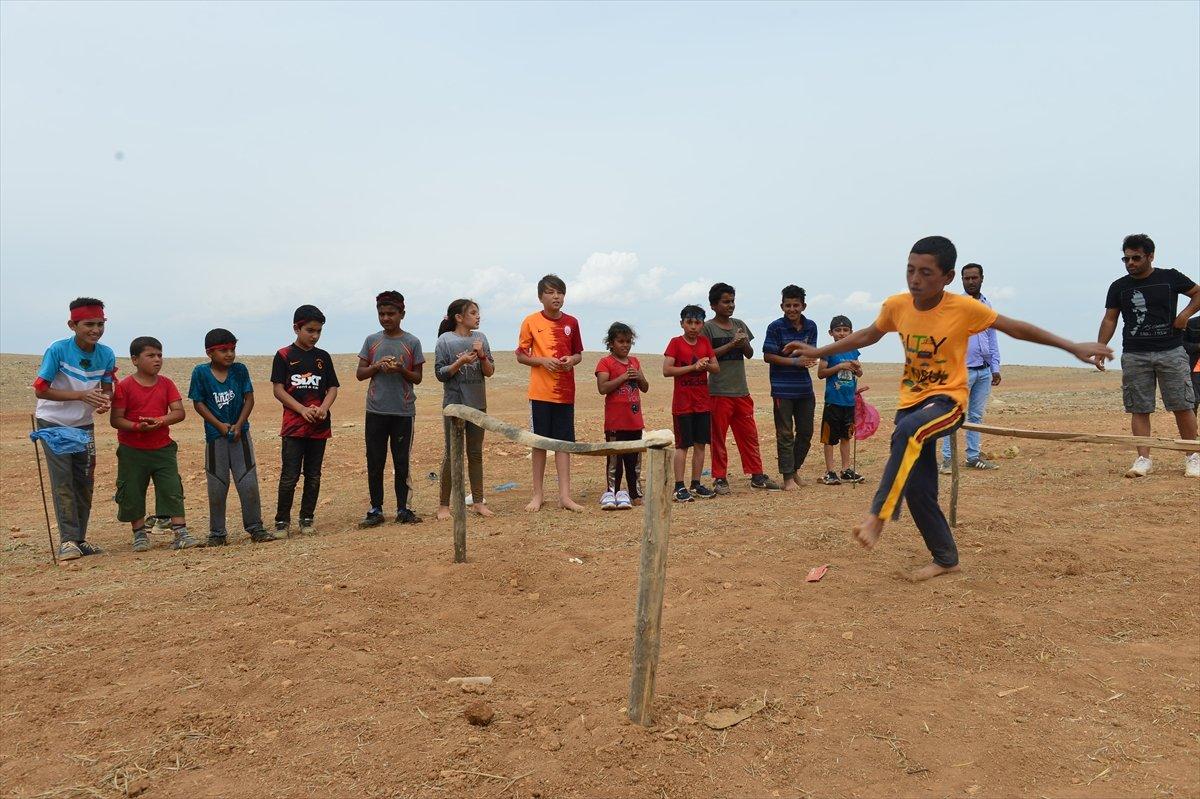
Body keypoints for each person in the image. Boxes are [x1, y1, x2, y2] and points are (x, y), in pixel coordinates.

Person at [787, 236, 1112, 582]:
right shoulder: (897, 306)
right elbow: (868, 335)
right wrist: (821, 351)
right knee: (918, 487)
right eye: (910, 270)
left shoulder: (963, 309)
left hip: (948, 403)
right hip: (911, 403)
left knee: (907, 433)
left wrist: (1071, 345)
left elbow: (1015, 328)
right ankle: (945, 558)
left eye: (926, 273)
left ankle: (878, 515)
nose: (915, 280)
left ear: (948, 277)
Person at [1095, 234, 1200, 478]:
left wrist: (1184, 315)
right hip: (1134, 354)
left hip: (1171, 351)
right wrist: (1101, 346)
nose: (1130, 263)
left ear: (1150, 256)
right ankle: (1143, 459)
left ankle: (1192, 456)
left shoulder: (1170, 278)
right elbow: (1110, 318)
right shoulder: (1119, 287)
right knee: (1139, 408)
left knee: (1183, 405)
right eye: (1126, 258)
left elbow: (1197, 293)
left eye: (1136, 258)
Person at [32, 297, 118, 560]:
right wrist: (80, 396)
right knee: (63, 481)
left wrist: (104, 402)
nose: (95, 330)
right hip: (53, 423)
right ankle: (67, 541)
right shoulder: (57, 350)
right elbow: (41, 388)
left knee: (84, 482)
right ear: (72, 325)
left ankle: (80, 539)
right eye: (89, 324)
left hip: (83, 425)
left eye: (100, 324)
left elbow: (107, 389)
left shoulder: (106, 354)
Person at [110, 336, 199, 552]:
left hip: (162, 448)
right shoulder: (124, 387)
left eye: (160, 355)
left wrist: (160, 421)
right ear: (135, 360)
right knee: (131, 490)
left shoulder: (167, 383)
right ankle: (139, 534)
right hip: (132, 450)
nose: (157, 360)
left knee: (171, 488)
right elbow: (116, 420)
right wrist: (137, 427)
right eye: (150, 355)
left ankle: (180, 532)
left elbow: (179, 412)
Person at [187, 328, 271, 546]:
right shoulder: (200, 373)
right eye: (223, 350)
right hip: (216, 437)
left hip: (240, 436)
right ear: (209, 352)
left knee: (248, 481)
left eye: (232, 349)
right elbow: (198, 403)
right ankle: (217, 533)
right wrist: (220, 426)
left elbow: (249, 399)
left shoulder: (240, 370)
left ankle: (255, 527)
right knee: (217, 483)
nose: (229, 354)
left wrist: (239, 424)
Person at [703, 283, 781, 493]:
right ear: (713, 305)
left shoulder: (740, 324)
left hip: (741, 391)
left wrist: (743, 342)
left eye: (732, 301)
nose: (730, 305)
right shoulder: (707, 328)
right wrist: (731, 344)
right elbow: (706, 355)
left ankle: (757, 475)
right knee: (718, 437)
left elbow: (748, 352)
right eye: (725, 301)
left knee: (749, 435)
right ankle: (719, 478)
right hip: (718, 392)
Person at [516, 274, 584, 512]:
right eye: (551, 292)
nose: (556, 297)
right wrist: (542, 361)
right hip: (540, 393)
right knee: (540, 443)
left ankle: (565, 496)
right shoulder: (530, 321)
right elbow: (521, 355)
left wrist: (571, 361)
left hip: (565, 393)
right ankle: (538, 495)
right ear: (540, 297)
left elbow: (578, 354)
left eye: (560, 292)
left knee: (563, 444)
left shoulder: (572, 322)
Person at [356, 291, 424, 527]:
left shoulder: (412, 342)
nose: (386, 318)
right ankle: (375, 509)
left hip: (403, 412)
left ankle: (403, 509)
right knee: (375, 461)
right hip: (376, 411)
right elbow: (360, 374)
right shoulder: (371, 341)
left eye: (391, 313)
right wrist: (376, 366)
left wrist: (400, 370)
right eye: (381, 314)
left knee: (401, 461)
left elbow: (417, 378)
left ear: (402, 314)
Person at [272, 304, 340, 536]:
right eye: (310, 330)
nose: (315, 335)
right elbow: (278, 390)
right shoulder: (283, 355)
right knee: (289, 475)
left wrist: (323, 408)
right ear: (296, 328)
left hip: (319, 426)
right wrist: (301, 409)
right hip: (293, 426)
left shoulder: (323, 357)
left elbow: (332, 387)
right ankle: (282, 522)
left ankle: (307, 518)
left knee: (313, 474)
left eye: (319, 331)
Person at [435, 298, 495, 521]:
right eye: (473, 313)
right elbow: (440, 373)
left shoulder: (481, 339)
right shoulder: (445, 341)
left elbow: (489, 371)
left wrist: (480, 356)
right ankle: (443, 506)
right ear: (459, 318)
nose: (478, 316)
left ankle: (478, 502)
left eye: (478, 312)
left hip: (478, 405)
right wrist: (460, 363)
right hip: (454, 406)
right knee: (452, 455)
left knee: (476, 454)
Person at [939, 263, 1002, 473]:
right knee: (953, 414)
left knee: (976, 416)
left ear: (982, 278)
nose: (971, 281)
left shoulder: (987, 305)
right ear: (962, 280)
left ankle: (973, 456)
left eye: (975, 278)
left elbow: (992, 337)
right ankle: (948, 460)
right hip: (962, 371)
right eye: (967, 278)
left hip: (984, 371)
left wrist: (995, 367)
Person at [761, 285, 819, 490]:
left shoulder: (811, 326)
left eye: (796, 305)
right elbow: (768, 356)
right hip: (782, 389)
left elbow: (811, 353)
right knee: (785, 434)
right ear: (782, 306)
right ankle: (787, 478)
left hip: (804, 389)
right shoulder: (775, 327)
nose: (792, 309)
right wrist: (795, 360)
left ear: (803, 306)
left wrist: (799, 352)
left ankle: (795, 469)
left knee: (806, 432)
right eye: (788, 305)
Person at [663, 305, 720, 502]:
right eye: (689, 322)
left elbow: (716, 368)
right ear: (682, 323)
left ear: (703, 324)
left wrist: (706, 365)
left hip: (702, 404)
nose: (693, 326)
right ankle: (679, 487)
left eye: (697, 323)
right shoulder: (676, 343)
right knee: (682, 445)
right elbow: (667, 370)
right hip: (683, 404)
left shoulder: (705, 342)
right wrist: (692, 367)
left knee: (700, 445)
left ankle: (696, 483)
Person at [596, 322, 649, 510]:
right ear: (611, 343)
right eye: (620, 341)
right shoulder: (605, 363)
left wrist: (638, 377)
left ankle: (635, 493)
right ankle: (612, 492)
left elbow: (645, 387)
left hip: (634, 422)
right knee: (614, 462)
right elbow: (603, 388)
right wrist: (623, 378)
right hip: (615, 423)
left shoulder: (635, 362)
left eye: (628, 342)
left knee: (634, 462)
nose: (625, 345)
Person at [817, 315, 865, 485]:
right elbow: (821, 373)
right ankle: (830, 471)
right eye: (838, 330)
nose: (842, 334)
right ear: (831, 333)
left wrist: (858, 369)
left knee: (847, 436)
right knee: (829, 438)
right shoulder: (827, 351)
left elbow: (858, 373)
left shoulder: (854, 350)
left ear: (851, 332)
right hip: (833, 401)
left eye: (845, 330)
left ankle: (846, 469)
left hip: (849, 402)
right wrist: (839, 366)